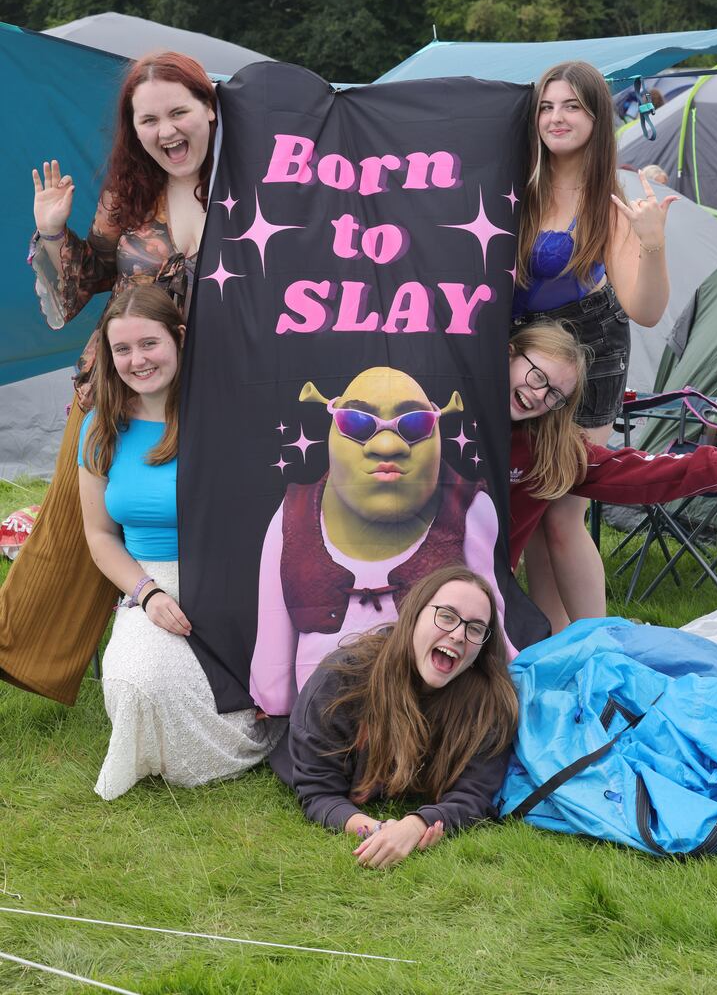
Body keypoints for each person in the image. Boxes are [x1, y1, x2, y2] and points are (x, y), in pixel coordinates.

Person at [0, 51, 217, 705]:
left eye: (179, 110)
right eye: (148, 118)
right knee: (69, 536)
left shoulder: (250, 195)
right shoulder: (129, 196)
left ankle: (197, 667)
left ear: (210, 108)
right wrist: (50, 231)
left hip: (209, 401)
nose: (167, 129)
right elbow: (75, 292)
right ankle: (20, 658)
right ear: (135, 128)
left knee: (195, 534)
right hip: (113, 390)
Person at [79, 285, 278, 800]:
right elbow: (100, 537)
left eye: (149, 344)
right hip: (149, 582)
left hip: (233, 582)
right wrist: (147, 592)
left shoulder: (227, 416)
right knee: (137, 685)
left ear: (179, 338)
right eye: (122, 349)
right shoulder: (100, 430)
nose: (137, 360)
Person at [512, 60, 678, 631]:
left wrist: (652, 245)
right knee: (533, 508)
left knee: (563, 508)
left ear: (597, 116)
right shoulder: (518, 184)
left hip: (588, 353)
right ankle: (551, 646)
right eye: (546, 106)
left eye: (572, 106)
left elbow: (646, 309)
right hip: (523, 355)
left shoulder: (613, 201)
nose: (556, 118)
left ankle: (597, 645)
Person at [249, 366, 511, 717]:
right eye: (357, 423)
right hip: (325, 718)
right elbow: (272, 642)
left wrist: (509, 685)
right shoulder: (292, 515)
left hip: (429, 712)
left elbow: (489, 620)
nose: (387, 446)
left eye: (414, 425)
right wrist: (274, 702)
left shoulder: (467, 509)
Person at [507, 320, 717, 620]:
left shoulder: (547, 450)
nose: (539, 394)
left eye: (554, 394)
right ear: (509, 355)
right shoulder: (459, 413)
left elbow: (638, 474)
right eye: (537, 376)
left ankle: (588, 643)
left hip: (483, 589)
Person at [269, 564, 518, 868]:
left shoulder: (488, 701)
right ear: (414, 615)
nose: (458, 635)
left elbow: (475, 796)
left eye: (475, 628)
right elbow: (319, 792)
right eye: (447, 616)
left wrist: (416, 824)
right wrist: (376, 831)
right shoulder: (342, 680)